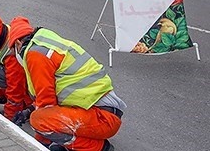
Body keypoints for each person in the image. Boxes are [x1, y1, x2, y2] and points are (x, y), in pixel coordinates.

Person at [8, 18, 126, 151]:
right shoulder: (45, 45)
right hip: (104, 114)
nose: (14, 56)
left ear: (18, 43)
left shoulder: (35, 55)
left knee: (38, 120)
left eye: (13, 52)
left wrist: (39, 144)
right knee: (43, 123)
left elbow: (46, 104)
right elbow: (57, 91)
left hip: (103, 118)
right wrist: (28, 110)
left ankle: (98, 148)